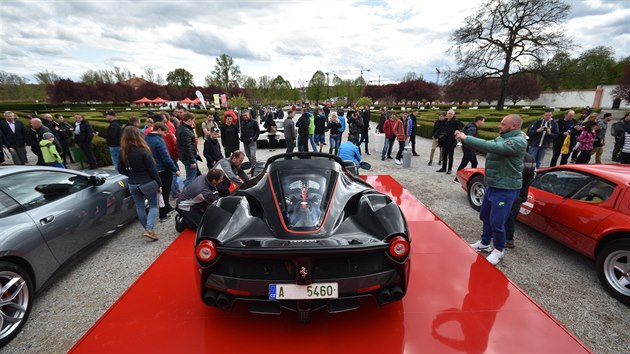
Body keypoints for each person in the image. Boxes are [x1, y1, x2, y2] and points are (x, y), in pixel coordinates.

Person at [455, 114, 527, 265]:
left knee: (497, 222)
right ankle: (485, 242)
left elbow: (491, 147)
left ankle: (499, 250)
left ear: (513, 126)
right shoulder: (503, 137)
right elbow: (488, 144)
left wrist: (466, 137)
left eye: (503, 123)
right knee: (485, 215)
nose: (499, 126)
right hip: (493, 185)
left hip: (506, 188)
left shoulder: (518, 142)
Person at [118, 127, 162, 240]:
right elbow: (152, 170)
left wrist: (131, 175)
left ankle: (148, 229)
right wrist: (159, 183)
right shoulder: (143, 151)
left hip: (133, 183)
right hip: (147, 182)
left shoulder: (122, 152)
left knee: (140, 207)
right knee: (153, 206)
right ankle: (149, 229)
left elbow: (120, 169)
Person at [145, 122, 180, 222]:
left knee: (158, 191)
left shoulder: (146, 139)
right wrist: (175, 169)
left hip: (152, 169)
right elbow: (166, 158)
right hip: (163, 169)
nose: (165, 135)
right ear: (159, 130)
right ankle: (163, 213)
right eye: (164, 132)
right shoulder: (159, 141)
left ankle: (166, 207)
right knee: (165, 191)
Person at [505, 152, 536, 248]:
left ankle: (508, 239)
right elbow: (533, 175)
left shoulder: (513, 156)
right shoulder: (530, 157)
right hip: (522, 193)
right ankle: (507, 238)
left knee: (507, 215)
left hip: (511, 193)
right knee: (512, 216)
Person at [454, 115, 485, 183]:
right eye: (483, 121)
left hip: (469, 149)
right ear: (479, 121)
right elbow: (469, 139)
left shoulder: (469, 125)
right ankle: (457, 178)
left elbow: (462, 134)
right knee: (464, 163)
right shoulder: (473, 128)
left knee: (474, 163)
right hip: (469, 149)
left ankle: (472, 177)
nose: (483, 123)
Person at [176, 112, 199, 187]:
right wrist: (192, 161)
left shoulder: (181, 128)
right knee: (190, 178)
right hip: (188, 157)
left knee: (192, 176)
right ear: (189, 120)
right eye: (193, 121)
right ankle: (185, 195)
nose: (193, 123)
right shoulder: (185, 131)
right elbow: (187, 147)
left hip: (185, 156)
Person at [437, 109, 462, 174]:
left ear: (453, 114)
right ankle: (444, 168)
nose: (449, 114)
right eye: (448, 113)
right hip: (444, 140)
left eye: (451, 113)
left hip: (451, 140)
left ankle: (449, 169)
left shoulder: (456, 122)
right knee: (444, 154)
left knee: (450, 155)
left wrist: (456, 139)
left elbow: (460, 130)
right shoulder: (445, 121)